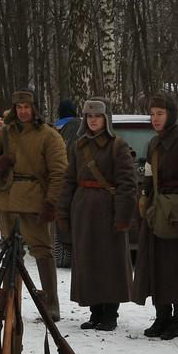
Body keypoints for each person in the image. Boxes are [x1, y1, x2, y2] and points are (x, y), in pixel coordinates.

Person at [0, 90, 69, 321]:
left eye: (27, 107)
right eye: (19, 107)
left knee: (42, 253)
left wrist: (51, 202)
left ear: (34, 108)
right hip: (8, 200)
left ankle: (51, 305)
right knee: (10, 254)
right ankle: (10, 304)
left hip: (35, 203)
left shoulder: (49, 136)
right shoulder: (6, 133)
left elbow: (59, 172)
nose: (23, 111)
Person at [60, 99, 139, 331]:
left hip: (108, 210)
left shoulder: (118, 146)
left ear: (106, 119)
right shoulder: (77, 146)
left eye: (98, 116)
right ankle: (95, 311)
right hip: (83, 210)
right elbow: (68, 181)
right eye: (89, 116)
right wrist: (63, 211)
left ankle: (110, 314)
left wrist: (122, 216)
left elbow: (127, 184)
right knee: (88, 261)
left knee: (110, 262)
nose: (93, 120)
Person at [133, 96, 178, 338]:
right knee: (156, 265)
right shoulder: (153, 143)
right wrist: (144, 196)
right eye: (152, 114)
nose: (155, 119)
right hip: (157, 211)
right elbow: (150, 176)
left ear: (171, 114)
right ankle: (162, 316)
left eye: (160, 113)